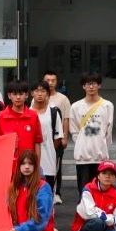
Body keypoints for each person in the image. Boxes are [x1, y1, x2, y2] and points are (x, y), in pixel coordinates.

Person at [3, 150, 54, 231]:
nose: (26, 167)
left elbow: (41, 220)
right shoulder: (13, 187)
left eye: (30, 164)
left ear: (35, 166)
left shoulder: (43, 187)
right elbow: (7, 213)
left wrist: (18, 230)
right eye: (23, 163)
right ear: (18, 166)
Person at [70, 72, 114, 192]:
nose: (91, 87)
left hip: (101, 156)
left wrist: (102, 146)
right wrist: (82, 144)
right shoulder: (75, 106)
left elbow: (108, 131)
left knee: (100, 190)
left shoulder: (107, 105)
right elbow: (74, 131)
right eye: (88, 84)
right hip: (82, 157)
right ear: (83, 86)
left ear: (99, 85)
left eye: (94, 84)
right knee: (84, 191)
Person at [30, 80, 65, 203]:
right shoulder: (27, 112)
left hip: (49, 160)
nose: (40, 94)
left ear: (48, 94)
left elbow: (58, 137)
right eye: (36, 91)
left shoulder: (53, 112)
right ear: (32, 93)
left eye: (43, 91)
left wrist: (50, 149)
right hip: (30, 160)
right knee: (31, 194)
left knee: (47, 192)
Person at [42, 71, 72, 205]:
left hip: (57, 138)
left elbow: (66, 118)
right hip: (42, 140)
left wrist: (65, 136)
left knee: (56, 166)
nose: (50, 83)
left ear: (57, 82)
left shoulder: (62, 99)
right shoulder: (37, 97)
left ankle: (56, 193)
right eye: (47, 80)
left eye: (53, 80)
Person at [0, 79, 43, 163]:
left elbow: (37, 143)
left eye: (21, 94)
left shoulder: (33, 116)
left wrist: (37, 165)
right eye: (14, 94)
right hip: (7, 164)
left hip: (28, 165)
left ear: (26, 95)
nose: (18, 97)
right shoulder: (0, 116)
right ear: (9, 95)